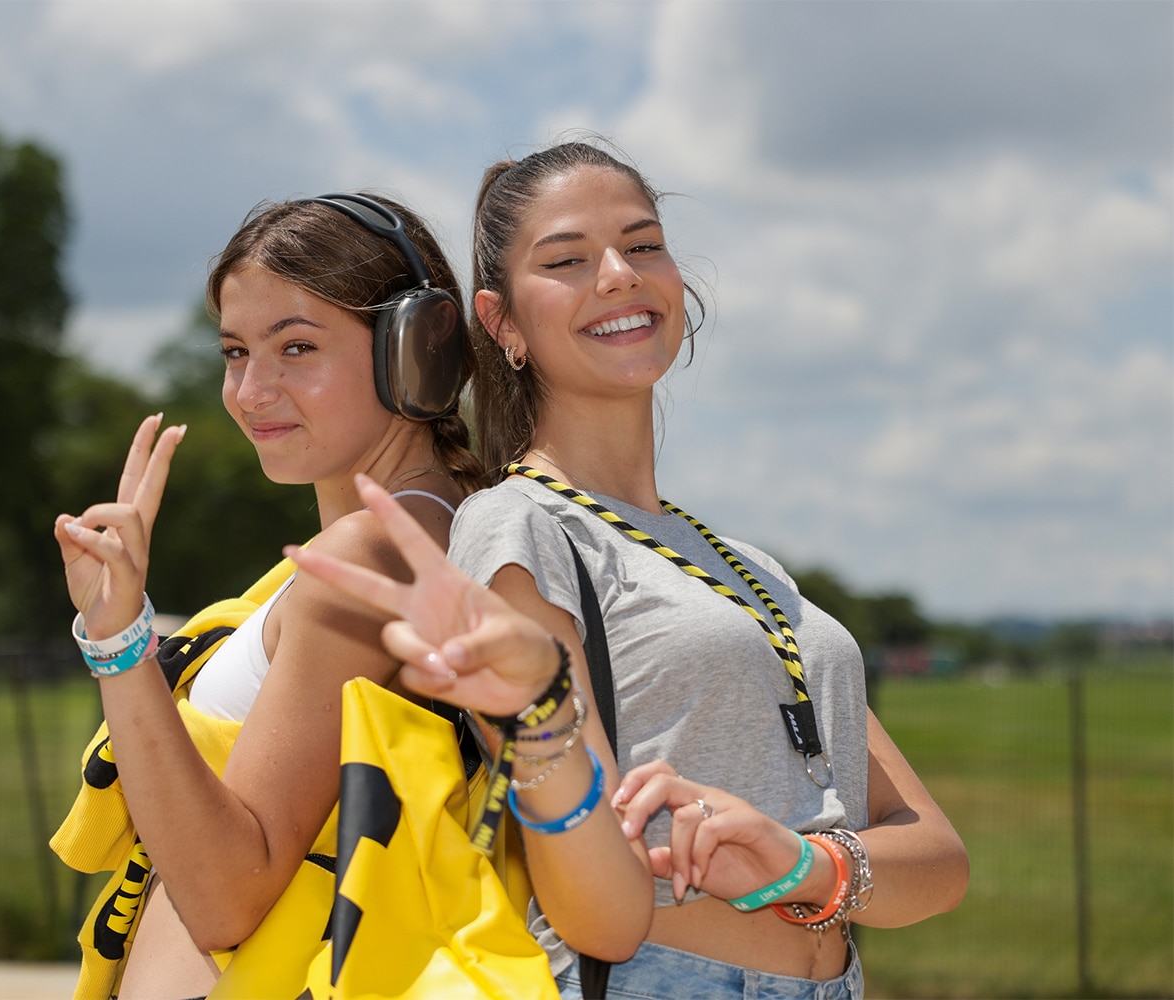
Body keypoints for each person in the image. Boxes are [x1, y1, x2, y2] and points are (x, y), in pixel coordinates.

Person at [289, 140, 969, 999]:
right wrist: (538, 721)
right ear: (503, 326)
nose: (617, 274)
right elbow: (602, 914)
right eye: (567, 260)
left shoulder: (748, 567)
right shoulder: (517, 528)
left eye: (643, 245)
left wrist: (800, 864)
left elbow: (939, 865)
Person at [52, 192, 485, 999]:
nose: (251, 392)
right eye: (234, 351)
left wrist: (120, 644)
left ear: (416, 348)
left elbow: (225, 898)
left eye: (295, 347)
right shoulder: (439, 528)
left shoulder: (368, 557)